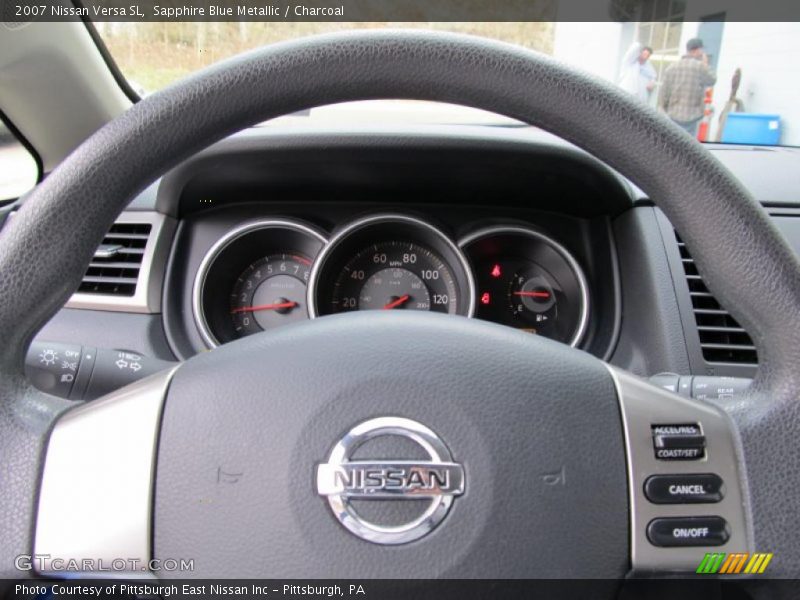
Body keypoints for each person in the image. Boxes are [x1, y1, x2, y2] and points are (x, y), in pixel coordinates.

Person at [659, 38, 717, 135]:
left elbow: (664, 93)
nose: (702, 53)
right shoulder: (700, 67)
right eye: (701, 50)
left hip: (673, 114)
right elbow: (712, 80)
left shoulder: (671, 67)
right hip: (692, 115)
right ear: (696, 50)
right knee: (688, 145)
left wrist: (667, 109)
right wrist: (706, 64)